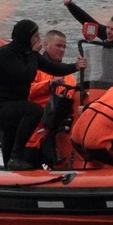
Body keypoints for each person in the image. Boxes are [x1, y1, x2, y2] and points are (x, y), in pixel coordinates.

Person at [0, 20, 87, 171]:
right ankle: (15, 158)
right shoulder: (5, 53)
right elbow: (24, 75)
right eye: (36, 36)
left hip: (16, 109)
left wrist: (75, 66)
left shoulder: (29, 55)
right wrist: (35, 55)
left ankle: (11, 166)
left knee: (10, 145)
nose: (38, 39)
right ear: (26, 37)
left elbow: (54, 68)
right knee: (34, 110)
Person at [25, 30, 78, 167]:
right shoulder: (34, 68)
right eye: (58, 46)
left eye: (64, 47)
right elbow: (24, 92)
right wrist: (48, 85)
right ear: (46, 45)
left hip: (57, 134)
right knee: (29, 166)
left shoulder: (69, 77)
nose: (62, 50)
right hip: (33, 133)